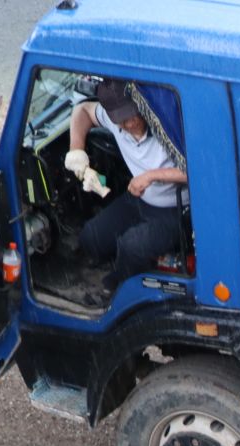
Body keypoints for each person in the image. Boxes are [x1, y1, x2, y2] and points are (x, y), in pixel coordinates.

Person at [65, 79, 187, 292]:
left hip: (176, 209)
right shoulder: (112, 119)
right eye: (121, 120)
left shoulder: (166, 122)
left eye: (132, 116)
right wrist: (77, 150)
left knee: (132, 247)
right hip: (139, 200)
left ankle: (121, 288)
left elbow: (196, 170)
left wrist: (151, 176)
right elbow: (82, 111)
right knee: (91, 237)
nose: (130, 124)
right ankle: (119, 264)